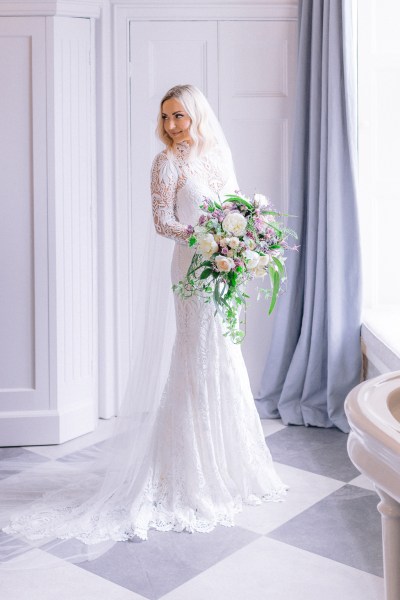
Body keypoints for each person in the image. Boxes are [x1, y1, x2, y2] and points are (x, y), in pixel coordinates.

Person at [0, 85, 286, 567]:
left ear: (196, 116)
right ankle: (184, 473)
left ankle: (230, 467)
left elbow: (238, 209)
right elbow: (162, 222)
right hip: (192, 269)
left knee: (224, 357)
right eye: (166, 117)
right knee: (193, 359)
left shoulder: (216, 158)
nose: (172, 125)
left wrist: (240, 245)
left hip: (223, 270)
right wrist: (207, 239)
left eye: (180, 116)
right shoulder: (165, 164)